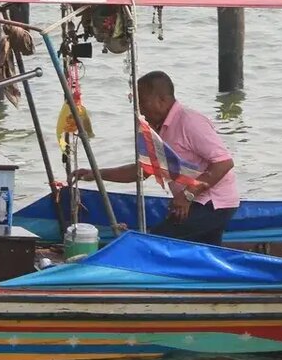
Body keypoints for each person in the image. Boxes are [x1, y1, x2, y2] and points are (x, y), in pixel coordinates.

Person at [73, 70, 239, 244]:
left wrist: (187, 195)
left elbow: (224, 162)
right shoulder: (159, 129)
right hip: (191, 201)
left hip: (214, 202)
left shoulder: (189, 121)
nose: (140, 109)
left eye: (143, 102)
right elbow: (142, 171)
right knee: (202, 248)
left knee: (156, 242)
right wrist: (97, 174)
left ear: (163, 100)